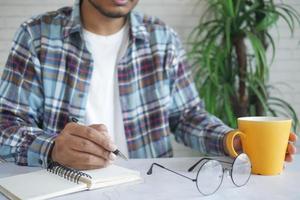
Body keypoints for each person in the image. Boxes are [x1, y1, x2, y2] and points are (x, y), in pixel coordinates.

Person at [0, 0, 297, 170]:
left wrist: (231, 140)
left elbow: (186, 115)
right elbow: (5, 126)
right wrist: (52, 148)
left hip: (148, 183)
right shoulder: (37, 35)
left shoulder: (162, 39)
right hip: (66, 185)